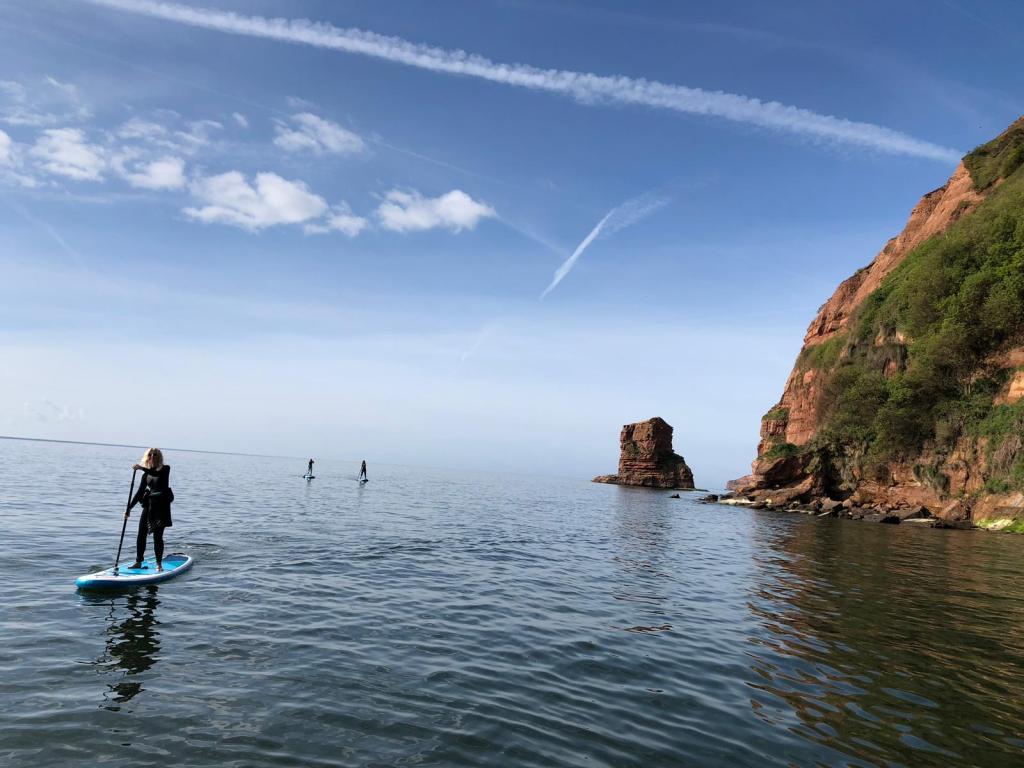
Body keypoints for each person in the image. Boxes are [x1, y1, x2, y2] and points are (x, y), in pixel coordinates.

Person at [125, 448, 173, 572]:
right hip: (149, 506)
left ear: (159, 456)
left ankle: (159, 564)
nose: (152, 456)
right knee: (141, 534)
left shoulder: (165, 469)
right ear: (147, 457)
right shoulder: (146, 475)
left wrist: (141, 468)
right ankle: (138, 561)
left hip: (161, 507)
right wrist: (129, 508)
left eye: (155, 454)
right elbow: (140, 492)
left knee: (157, 536)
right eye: (150, 454)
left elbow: (157, 474)